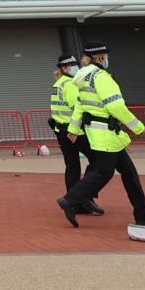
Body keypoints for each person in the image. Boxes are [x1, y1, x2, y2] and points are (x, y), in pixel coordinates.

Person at [57, 41, 145, 229]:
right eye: (106, 56)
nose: (107, 59)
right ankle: (70, 200)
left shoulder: (84, 77)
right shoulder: (102, 77)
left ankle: (143, 214)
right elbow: (115, 105)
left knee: (129, 173)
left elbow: (80, 106)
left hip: (101, 133)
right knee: (103, 172)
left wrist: (73, 129)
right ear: (100, 57)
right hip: (106, 133)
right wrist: (138, 126)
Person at [50, 55, 102, 216]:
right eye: (72, 65)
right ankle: (83, 197)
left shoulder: (58, 84)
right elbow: (77, 109)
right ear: (64, 68)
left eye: (75, 64)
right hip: (75, 132)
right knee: (98, 161)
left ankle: (74, 202)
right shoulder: (71, 84)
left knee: (72, 166)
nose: (75, 67)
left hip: (61, 131)